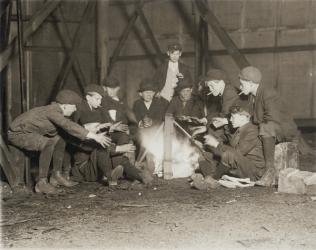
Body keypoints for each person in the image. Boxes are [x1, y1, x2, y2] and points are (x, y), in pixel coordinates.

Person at [7, 89, 111, 194]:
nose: (75, 109)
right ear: (65, 105)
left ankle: (56, 175)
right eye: (74, 106)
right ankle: (42, 183)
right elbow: (67, 125)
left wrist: (91, 136)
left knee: (59, 138)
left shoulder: (57, 111)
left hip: (30, 133)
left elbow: (68, 132)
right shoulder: (52, 111)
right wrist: (94, 136)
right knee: (48, 143)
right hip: (18, 134)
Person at [238, 66, 312, 186]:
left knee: (266, 127)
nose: (240, 87)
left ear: (251, 83)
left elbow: (272, 118)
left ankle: (270, 170)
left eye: (242, 84)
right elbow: (256, 117)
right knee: (251, 128)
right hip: (272, 126)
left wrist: (255, 123)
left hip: (284, 129)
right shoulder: (253, 96)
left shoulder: (268, 92)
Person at [72, 84, 152, 186]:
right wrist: (118, 149)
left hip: (101, 161)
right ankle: (112, 176)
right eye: (97, 99)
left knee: (122, 137)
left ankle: (139, 176)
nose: (100, 102)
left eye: (101, 99)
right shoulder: (80, 110)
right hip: (86, 166)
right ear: (88, 97)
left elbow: (105, 125)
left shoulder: (98, 108)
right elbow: (88, 141)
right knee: (103, 147)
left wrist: (112, 127)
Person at [192, 106, 266, 190]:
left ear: (244, 117)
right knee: (206, 155)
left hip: (253, 170)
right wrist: (208, 145)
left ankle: (211, 178)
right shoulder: (239, 130)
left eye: (233, 117)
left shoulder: (252, 130)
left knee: (227, 154)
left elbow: (237, 152)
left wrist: (216, 144)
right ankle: (209, 178)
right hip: (241, 164)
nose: (230, 120)